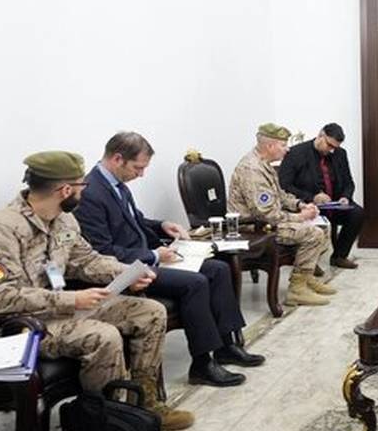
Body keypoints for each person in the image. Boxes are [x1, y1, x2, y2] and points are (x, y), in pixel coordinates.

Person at [0, 151, 194, 430]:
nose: (84, 191)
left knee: (150, 312)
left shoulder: (64, 220)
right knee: (103, 336)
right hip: (12, 326)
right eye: (82, 185)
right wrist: (71, 299)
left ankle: (145, 405)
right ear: (65, 190)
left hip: (52, 311)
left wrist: (126, 273)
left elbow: (86, 260)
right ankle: (108, 426)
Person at [76, 132, 263, 389]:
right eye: (138, 168)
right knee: (195, 283)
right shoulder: (91, 193)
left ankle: (227, 346)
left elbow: (136, 221)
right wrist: (154, 255)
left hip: (147, 259)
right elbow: (102, 250)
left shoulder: (116, 184)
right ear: (118, 159)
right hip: (128, 270)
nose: (141, 174)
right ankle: (202, 364)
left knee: (218, 269)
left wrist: (163, 225)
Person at [228, 123, 335, 306]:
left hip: (268, 222)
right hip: (255, 228)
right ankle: (297, 290)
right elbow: (265, 214)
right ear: (270, 146)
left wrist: (301, 205)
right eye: (283, 145)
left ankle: (306, 278)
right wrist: (300, 217)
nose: (287, 149)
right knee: (314, 233)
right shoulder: (252, 170)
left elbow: (280, 196)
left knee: (322, 228)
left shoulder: (264, 165)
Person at [278, 122, 365, 269]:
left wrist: (345, 197)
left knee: (357, 213)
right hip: (308, 205)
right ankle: (310, 262)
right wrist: (312, 198)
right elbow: (284, 186)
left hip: (335, 204)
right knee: (313, 221)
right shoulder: (296, 153)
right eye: (329, 145)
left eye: (335, 147)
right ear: (320, 136)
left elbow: (349, 182)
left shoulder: (340, 154)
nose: (331, 150)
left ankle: (339, 256)